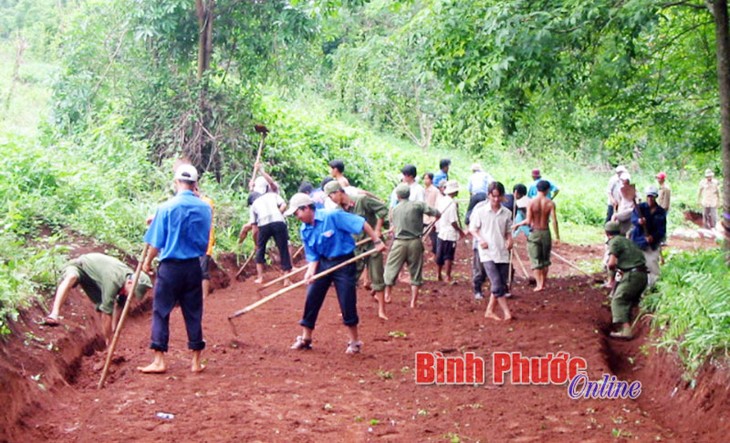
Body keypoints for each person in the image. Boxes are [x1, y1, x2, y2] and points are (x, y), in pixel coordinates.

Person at [284, 193, 385, 353]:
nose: (297, 217)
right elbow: (313, 255)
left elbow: (361, 223)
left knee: (347, 300)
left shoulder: (332, 216)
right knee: (312, 297)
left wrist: (377, 241)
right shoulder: (305, 229)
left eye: (297, 213)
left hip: (343, 262)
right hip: (323, 263)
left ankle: (354, 341)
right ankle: (306, 338)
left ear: (307, 208)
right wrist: (310, 272)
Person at [138, 164, 212, 374]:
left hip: (170, 268)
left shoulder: (165, 208)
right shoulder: (205, 208)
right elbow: (196, 235)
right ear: (195, 184)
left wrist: (146, 263)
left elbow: (157, 242)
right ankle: (196, 361)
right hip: (193, 267)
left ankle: (159, 360)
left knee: (161, 311)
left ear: (176, 182)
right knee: (193, 312)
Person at [44, 253, 153, 346]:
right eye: (133, 294)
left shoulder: (128, 278)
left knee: (108, 306)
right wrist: (109, 342)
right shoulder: (113, 280)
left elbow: (120, 306)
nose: (132, 297)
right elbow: (107, 313)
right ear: (129, 283)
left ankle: (108, 340)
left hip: (95, 279)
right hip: (80, 266)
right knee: (72, 277)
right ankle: (54, 313)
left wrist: (114, 333)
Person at [325, 181, 389, 319]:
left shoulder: (362, 200)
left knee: (377, 276)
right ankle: (347, 310)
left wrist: (378, 229)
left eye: (331, 196)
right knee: (349, 279)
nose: (331, 199)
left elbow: (383, 209)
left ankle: (382, 310)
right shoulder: (338, 211)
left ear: (338, 192)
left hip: (373, 244)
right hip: (356, 246)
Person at [383, 184, 440, 311]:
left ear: (398, 196)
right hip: (415, 242)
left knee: (390, 268)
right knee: (415, 272)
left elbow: (393, 224)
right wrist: (437, 215)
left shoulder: (395, 209)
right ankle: (413, 302)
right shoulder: (417, 205)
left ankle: (387, 295)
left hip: (399, 243)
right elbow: (434, 212)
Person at [240, 165, 292, 285]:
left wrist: (256, 244)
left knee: (260, 250)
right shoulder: (273, 195)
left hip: (264, 224)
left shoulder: (254, 204)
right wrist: (278, 214)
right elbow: (284, 205)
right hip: (279, 222)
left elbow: (254, 229)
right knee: (283, 249)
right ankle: (286, 279)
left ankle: (260, 277)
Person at [470, 182, 514, 321]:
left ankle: (489, 310)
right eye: (493, 196)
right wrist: (480, 239)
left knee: (500, 282)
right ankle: (507, 312)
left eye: (498, 196)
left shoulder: (506, 213)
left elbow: (508, 231)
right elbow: (473, 229)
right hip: (487, 252)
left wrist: (510, 240)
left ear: (502, 197)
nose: (496, 200)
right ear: (489, 195)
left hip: (502, 251)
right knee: (496, 282)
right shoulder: (480, 211)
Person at [605, 221, 648, 339]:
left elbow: (611, 263)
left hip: (632, 276)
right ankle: (629, 326)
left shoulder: (614, 241)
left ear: (606, 233)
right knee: (630, 301)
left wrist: (611, 280)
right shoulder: (628, 241)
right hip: (642, 276)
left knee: (618, 300)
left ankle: (626, 331)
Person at [514, 180, 555, 292]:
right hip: (546, 231)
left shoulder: (531, 203)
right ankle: (543, 283)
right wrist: (558, 236)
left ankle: (539, 285)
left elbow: (528, 220)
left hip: (535, 232)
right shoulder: (550, 203)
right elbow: (555, 221)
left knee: (535, 260)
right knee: (545, 260)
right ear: (547, 190)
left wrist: (517, 224)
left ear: (537, 189)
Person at [630, 186, 666, 287]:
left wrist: (653, 237)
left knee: (653, 265)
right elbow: (633, 219)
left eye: (652, 197)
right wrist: (639, 221)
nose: (650, 199)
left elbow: (662, 230)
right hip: (638, 241)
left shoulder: (660, 212)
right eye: (649, 196)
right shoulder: (640, 208)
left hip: (652, 245)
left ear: (656, 197)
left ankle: (652, 288)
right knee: (636, 266)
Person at [436, 180, 466, 283]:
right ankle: (447, 276)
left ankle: (439, 274)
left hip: (441, 230)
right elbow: (453, 221)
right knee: (448, 255)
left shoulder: (442, 200)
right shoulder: (452, 204)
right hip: (450, 233)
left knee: (440, 254)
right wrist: (460, 231)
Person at [465, 192, 488, 300]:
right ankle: (477, 289)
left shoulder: (500, 209)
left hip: (493, 244)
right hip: (480, 243)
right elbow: (472, 227)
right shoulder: (479, 208)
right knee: (479, 268)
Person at [194, 184, 215, 298]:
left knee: (203, 270)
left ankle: (204, 296)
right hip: (193, 243)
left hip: (205, 241)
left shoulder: (207, 202)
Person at [423, 172, 440, 256]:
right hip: (424, 217)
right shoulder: (423, 190)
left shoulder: (435, 191)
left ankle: (436, 253)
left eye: (427, 178)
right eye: (424, 178)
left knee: (433, 236)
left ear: (431, 180)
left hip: (431, 217)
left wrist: (435, 218)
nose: (425, 180)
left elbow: (437, 205)